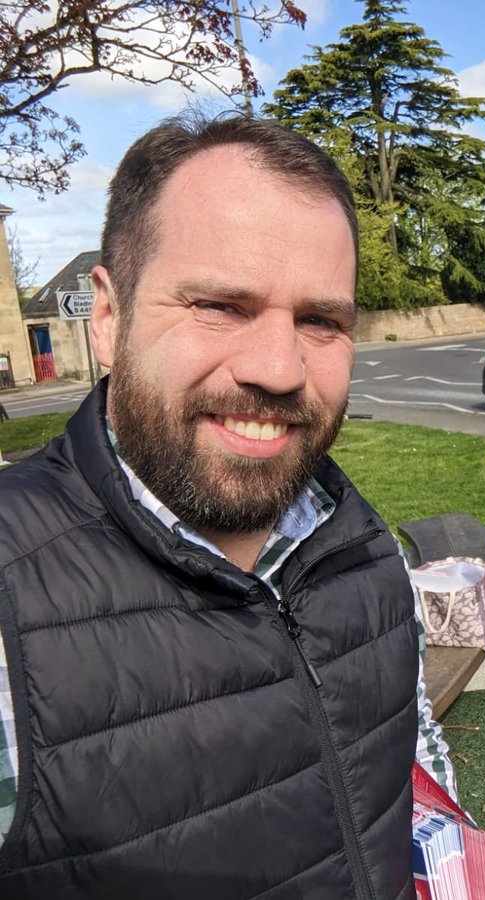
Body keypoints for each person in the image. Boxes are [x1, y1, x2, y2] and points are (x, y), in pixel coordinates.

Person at [0, 115, 453, 897]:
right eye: (217, 304)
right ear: (108, 318)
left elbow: (410, 771)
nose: (279, 369)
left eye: (321, 321)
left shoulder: (361, 541)